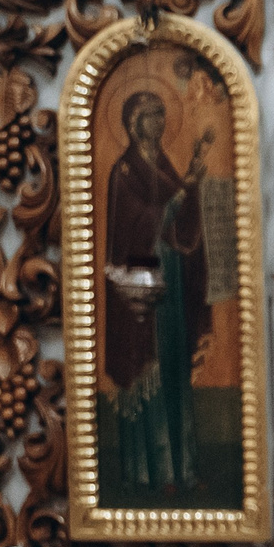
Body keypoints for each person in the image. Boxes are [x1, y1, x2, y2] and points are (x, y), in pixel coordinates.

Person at [103, 88, 211, 495]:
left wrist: (191, 189)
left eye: (163, 115)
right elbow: (127, 227)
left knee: (175, 368)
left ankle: (183, 469)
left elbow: (180, 219)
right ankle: (151, 471)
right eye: (151, 116)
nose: (160, 123)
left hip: (172, 281)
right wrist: (177, 198)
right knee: (151, 371)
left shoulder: (161, 164)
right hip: (140, 287)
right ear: (134, 123)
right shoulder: (125, 171)